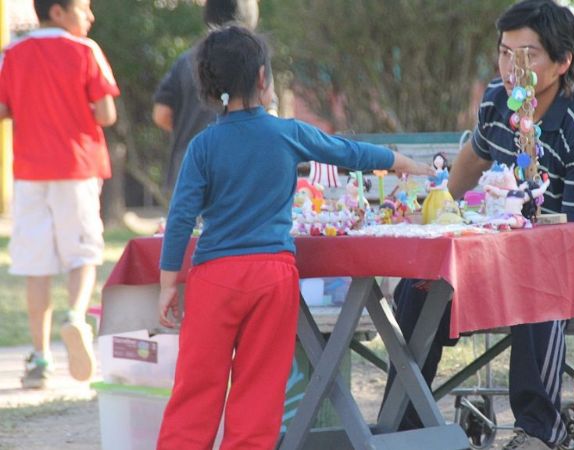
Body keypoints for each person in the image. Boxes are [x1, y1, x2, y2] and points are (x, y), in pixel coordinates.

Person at [155, 26, 433, 449]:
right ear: (263, 78)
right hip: (273, 278)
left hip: (214, 278)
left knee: (195, 390)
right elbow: (346, 152)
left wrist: (166, 285)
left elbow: (179, 220)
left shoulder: (202, 146)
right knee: (260, 395)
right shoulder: (288, 133)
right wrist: (398, 160)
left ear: (210, 87)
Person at [383, 1, 574, 449]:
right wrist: (443, 209)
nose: (512, 66)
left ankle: (538, 432)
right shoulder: (498, 100)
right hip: (502, 250)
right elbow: (474, 159)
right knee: (419, 284)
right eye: (504, 52)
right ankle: (403, 428)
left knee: (541, 276)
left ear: (562, 61)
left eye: (528, 55)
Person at [0, 0, 119, 389]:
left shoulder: (13, 53)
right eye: (83, 9)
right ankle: (75, 317)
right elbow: (105, 113)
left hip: (30, 171)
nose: (90, 17)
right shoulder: (86, 51)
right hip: (77, 166)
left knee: (35, 263)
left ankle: (39, 359)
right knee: (83, 252)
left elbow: (2, 109)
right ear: (57, 12)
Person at [152, 0, 260, 195]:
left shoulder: (186, 60)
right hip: (236, 171)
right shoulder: (253, 61)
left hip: (186, 167)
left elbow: (161, 114)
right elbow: (269, 111)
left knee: (188, 225)